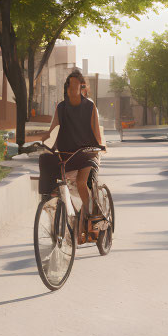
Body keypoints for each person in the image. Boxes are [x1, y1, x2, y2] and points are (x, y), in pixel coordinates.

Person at [36, 69, 106, 240]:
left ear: (83, 87)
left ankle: (93, 219)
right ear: (66, 88)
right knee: (52, 174)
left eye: (76, 85)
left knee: (82, 183)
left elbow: (96, 133)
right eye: (70, 86)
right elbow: (53, 130)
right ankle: (61, 214)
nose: (73, 89)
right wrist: (37, 141)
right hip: (67, 155)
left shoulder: (89, 106)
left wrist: (100, 147)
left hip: (86, 154)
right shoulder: (61, 107)